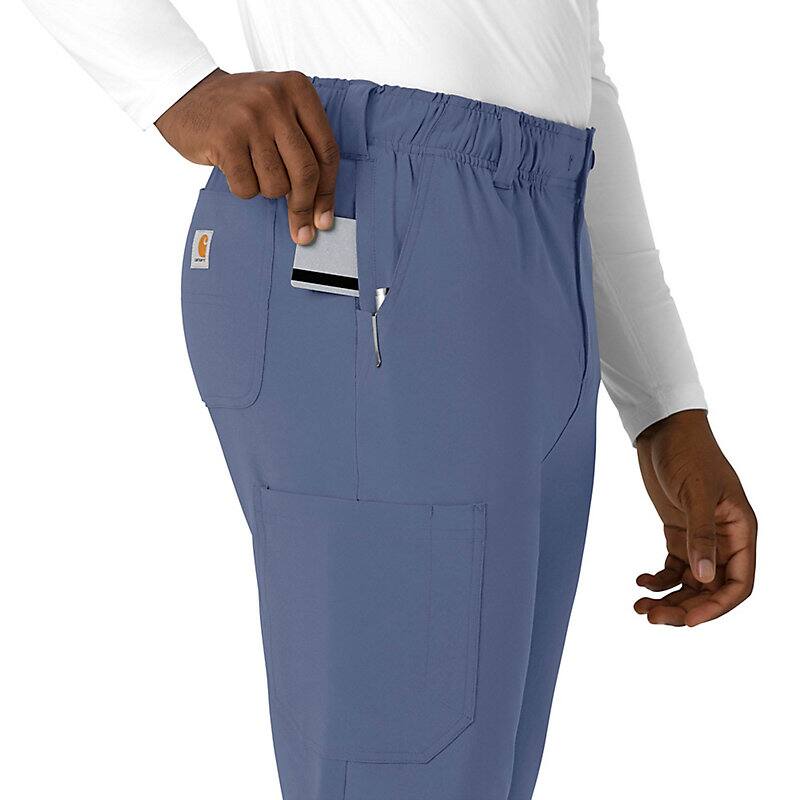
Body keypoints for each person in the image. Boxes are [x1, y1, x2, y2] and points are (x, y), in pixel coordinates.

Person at [23, 2, 758, 799]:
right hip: (367, 219)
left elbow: (576, 72)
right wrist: (175, 84)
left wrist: (666, 408)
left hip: (545, 234)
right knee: (406, 767)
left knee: (468, 772)